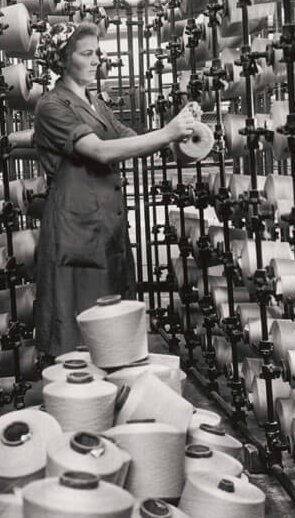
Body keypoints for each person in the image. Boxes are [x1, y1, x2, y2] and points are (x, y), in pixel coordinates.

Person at [33, 21, 196, 357]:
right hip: (75, 231)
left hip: (106, 226)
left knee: (112, 328)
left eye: (98, 54)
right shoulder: (51, 106)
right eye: (87, 54)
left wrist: (181, 128)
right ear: (63, 59)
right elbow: (100, 150)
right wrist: (168, 132)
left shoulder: (96, 103)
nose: (96, 61)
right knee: (78, 329)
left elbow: (126, 139)